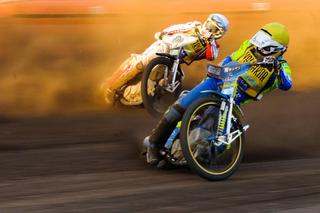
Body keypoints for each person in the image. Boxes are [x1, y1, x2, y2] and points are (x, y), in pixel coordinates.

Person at [144, 22, 293, 165]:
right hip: (218, 81)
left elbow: (287, 84)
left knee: (212, 128)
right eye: (260, 39)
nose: (259, 45)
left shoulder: (281, 67)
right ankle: (154, 145)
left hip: (234, 99)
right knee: (181, 106)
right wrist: (220, 68)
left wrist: (278, 67)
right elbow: (232, 58)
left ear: (277, 48)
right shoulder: (249, 45)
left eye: (265, 43)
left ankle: (197, 154)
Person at [101, 14, 229, 105]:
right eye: (209, 25)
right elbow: (178, 28)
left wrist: (209, 40)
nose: (208, 29)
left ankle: (125, 94)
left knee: (150, 87)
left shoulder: (213, 46)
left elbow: (212, 56)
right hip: (166, 46)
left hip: (175, 61)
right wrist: (164, 33)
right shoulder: (195, 26)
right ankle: (111, 85)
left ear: (219, 33)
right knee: (140, 63)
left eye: (214, 29)